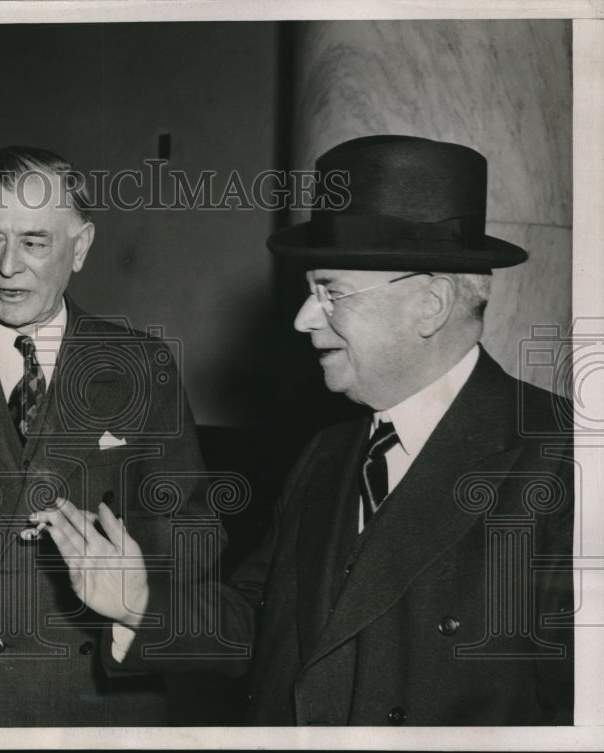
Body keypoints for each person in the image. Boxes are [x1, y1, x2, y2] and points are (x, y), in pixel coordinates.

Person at [31, 135, 574, 725]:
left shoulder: (563, 460)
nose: (303, 318)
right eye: (308, 290)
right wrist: (139, 603)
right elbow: (258, 628)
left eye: (331, 292)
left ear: (432, 304)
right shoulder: (328, 454)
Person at [0, 145, 216, 726]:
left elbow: (190, 529)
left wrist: (133, 620)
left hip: (102, 698)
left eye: (33, 241)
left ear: (80, 248)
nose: (7, 266)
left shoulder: (140, 365)